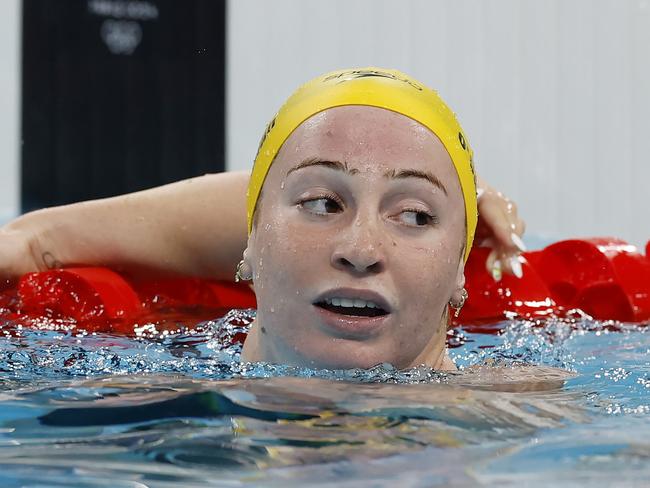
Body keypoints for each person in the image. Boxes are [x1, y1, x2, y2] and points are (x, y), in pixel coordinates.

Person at [0, 68, 525, 370]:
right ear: (246, 238)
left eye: (413, 214)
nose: (362, 249)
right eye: (323, 203)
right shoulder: (136, 401)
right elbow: (31, 240)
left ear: (461, 265)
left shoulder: (527, 419)